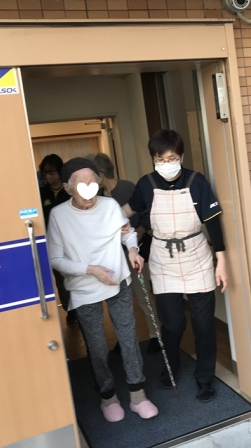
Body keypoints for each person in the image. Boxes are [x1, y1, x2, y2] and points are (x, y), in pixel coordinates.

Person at [48, 157, 159, 422]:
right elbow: (55, 259)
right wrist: (91, 269)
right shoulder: (59, 215)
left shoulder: (109, 206)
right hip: (84, 289)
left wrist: (132, 250)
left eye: (93, 184)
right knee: (97, 346)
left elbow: (127, 233)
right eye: (81, 185)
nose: (89, 191)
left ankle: (137, 394)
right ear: (68, 188)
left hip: (119, 281)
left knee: (128, 338)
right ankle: (108, 397)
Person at [123, 130, 228, 404]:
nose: (166, 164)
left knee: (204, 324)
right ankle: (170, 367)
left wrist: (222, 262)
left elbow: (213, 221)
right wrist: (102, 216)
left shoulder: (196, 181)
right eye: (160, 159)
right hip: (162, 259)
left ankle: (205, 379)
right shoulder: (146, 184)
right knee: (172, 324)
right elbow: (127, 212)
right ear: (153, 160)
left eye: (171, 158)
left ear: (181, 156)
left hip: (196, 256)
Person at [85, 152, 161, 354]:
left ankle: (156, 334)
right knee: (118, 299)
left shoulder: (126, 188)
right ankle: (125, 337)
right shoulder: (98, 197)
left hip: (134, 250)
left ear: (101, 173)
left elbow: (147, 213)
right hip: (112, 256)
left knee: (142, 295)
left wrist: (139, 234)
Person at [38, 154, 76, 324]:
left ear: (60, 172)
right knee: (60, 279)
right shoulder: (41, 193)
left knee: (74, 274)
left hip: (71, 239)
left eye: (52, 172)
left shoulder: (69, 191)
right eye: (45, 173)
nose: (48, 176)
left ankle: (81, 307)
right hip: (51, 243)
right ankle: (70, 309)